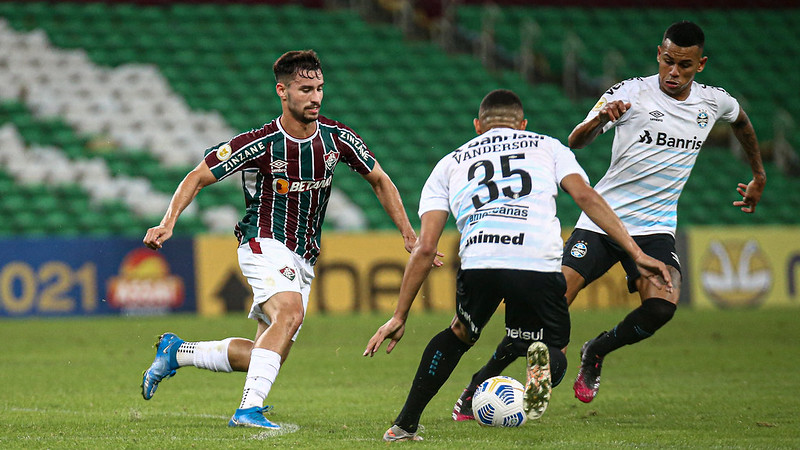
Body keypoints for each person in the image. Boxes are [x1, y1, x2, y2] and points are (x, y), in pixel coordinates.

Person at [451, 21, 766, 419]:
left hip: (654, 227)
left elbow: (742, 122)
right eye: (668, 61)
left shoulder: (713, 102)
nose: (674, 72)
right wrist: (601, 119)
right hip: (601, 222)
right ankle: (477, 385)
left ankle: (596, 351)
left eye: (684, 66)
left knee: (663, 307)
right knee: (545, 310)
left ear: (700, 64)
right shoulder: (629, 93)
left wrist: (758, 175)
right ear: (658, 54)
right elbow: (576, 139)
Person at [364, 89, 672, 441]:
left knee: (459, 333)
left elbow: (424, 248)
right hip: (536, 261)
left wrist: (399, 315)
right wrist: (636, 251)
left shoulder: (450, 162)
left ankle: (404, 424)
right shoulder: (548, 146)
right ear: (523, 125)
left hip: (480, 260)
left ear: (478, 125)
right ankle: (536, 357)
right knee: (553, 348)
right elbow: (586, 197)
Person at [140, 50, 426, 430]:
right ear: (282, 91)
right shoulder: (260, 142)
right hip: (263, 240)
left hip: (304, 255)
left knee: (267, 352)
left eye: (320, 88)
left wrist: (408, 233)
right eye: (305, 89)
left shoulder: (337, 138)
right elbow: (196, 176)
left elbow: (380, 180)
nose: (315, 97)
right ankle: (247, 411)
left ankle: (177, 352)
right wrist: (168, 221)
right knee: (290, 314)